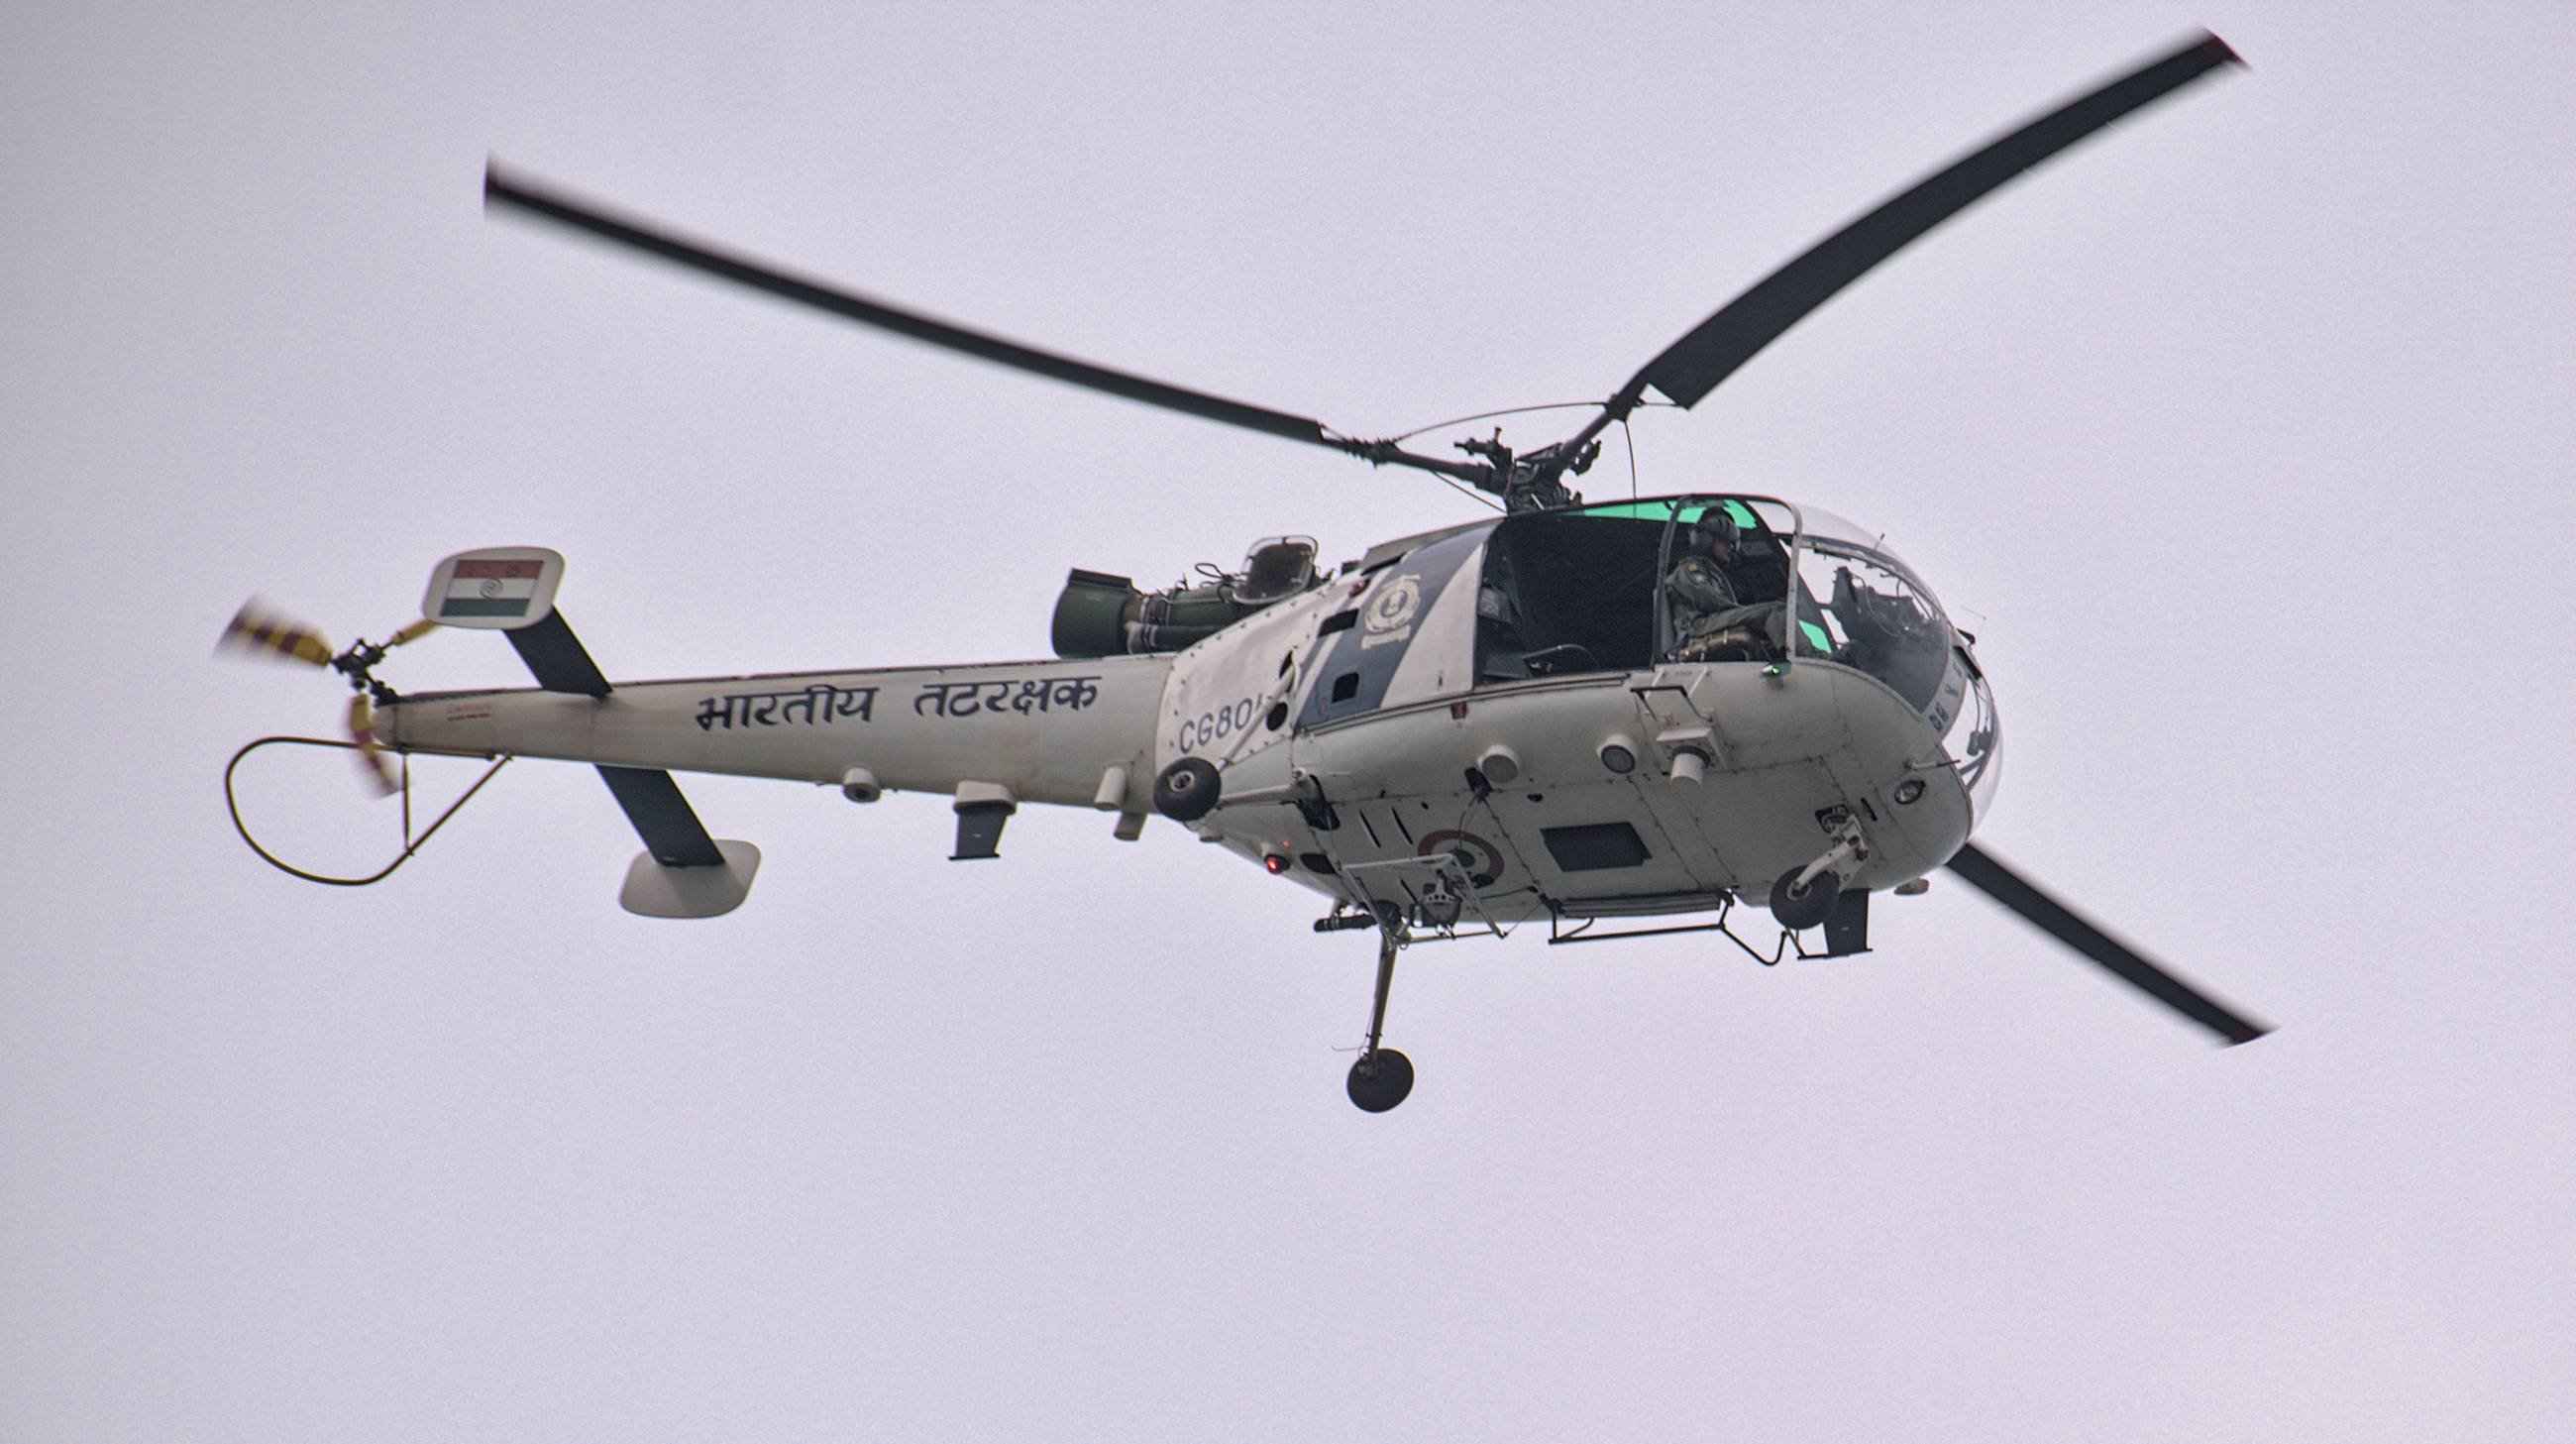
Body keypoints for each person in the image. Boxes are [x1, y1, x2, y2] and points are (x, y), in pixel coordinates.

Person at [1665, 508, 1780, 662]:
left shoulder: (1716, 574)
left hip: (1711, 623)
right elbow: (1709, 601)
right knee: (1774, 611)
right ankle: (1803, 656)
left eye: (1732, 542)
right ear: (1706, 540)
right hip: (1698, 626)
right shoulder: (1688, 568)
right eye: (1725, 542)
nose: (1731, 547)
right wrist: (1748, 615)